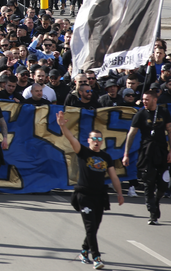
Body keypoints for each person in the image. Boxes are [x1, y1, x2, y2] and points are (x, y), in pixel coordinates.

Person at [56, 111, 123, 270]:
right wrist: (63, 126)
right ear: (89, 140)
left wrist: (119, 193)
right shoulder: (83, 152)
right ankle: (97, 258)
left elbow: (114, 177)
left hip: (99, 196)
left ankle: (84, 251)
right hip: (83, 195)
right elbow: (71, 138)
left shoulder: (107, 157)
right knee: (90, 227)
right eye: (94, 138)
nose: (97, 141)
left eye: (99, 139)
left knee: (95, 226)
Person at [123, 90, 171, 225]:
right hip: (147, 152)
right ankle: (152, 213)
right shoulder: (140, 114)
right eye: (143, 99)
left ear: (155, 100)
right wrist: (126, 154)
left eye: (147, 99)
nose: (144, 101)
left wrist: (170, 151)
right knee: (148, 182)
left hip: (161, 152)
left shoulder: (163, 112)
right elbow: (131, 134)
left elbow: (170, 131)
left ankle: (156, 201)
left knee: (163, 183)